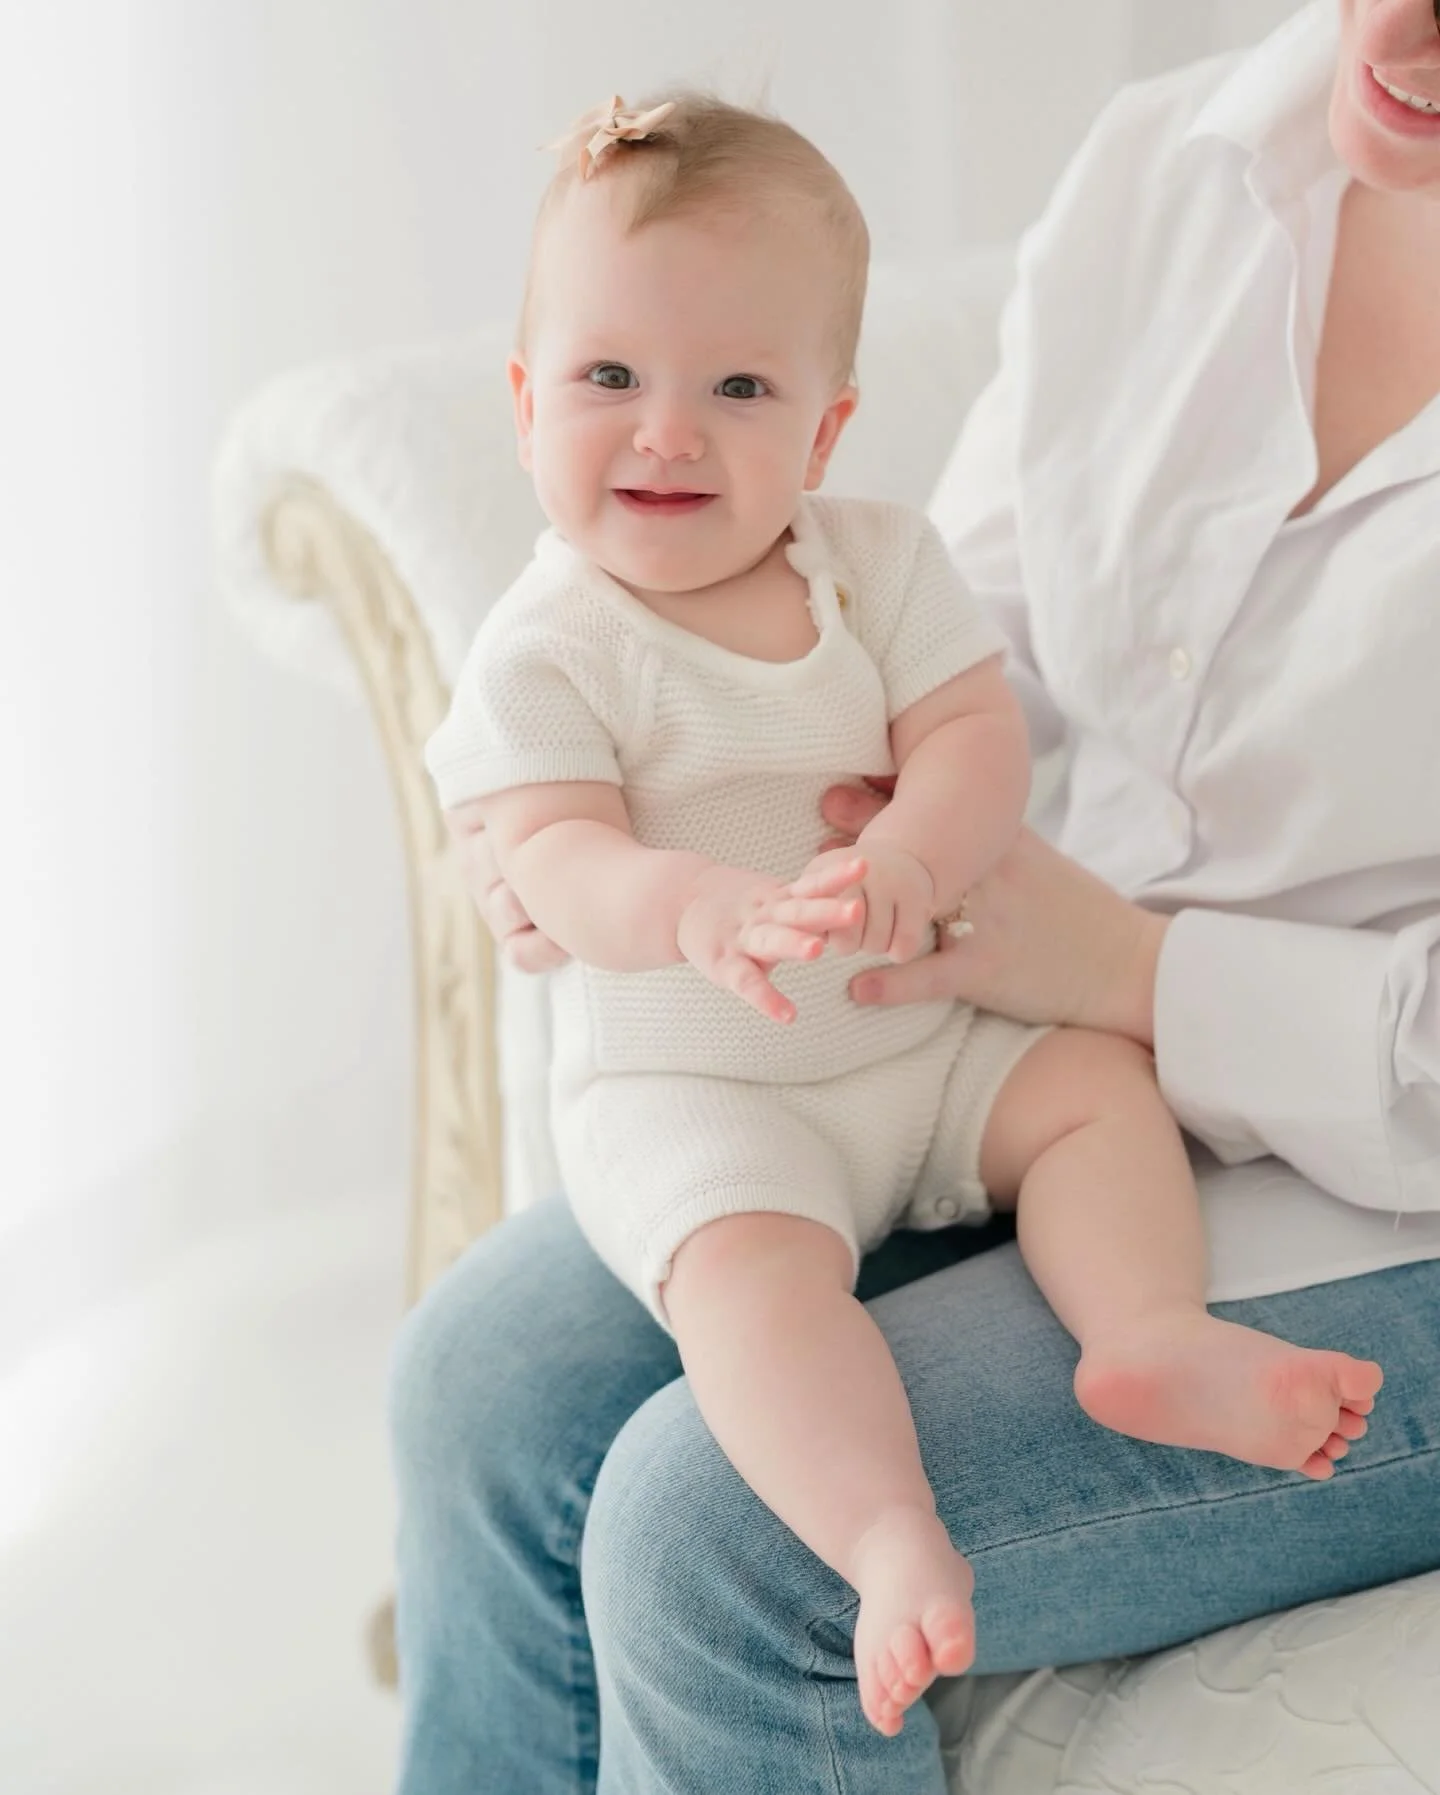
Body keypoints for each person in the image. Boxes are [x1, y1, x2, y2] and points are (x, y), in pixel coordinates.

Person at [390, 3, 1440, 1790]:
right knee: (482, 1381)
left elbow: (944, 688)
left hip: (1353, 1174)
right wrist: (585, 849)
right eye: (612, 381)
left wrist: (1132, 969)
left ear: (824, 419)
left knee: (716, 1538)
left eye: (738, 390)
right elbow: (970, 660)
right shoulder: (1179, 164)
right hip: (921, 1017)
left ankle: (1143, 1342)